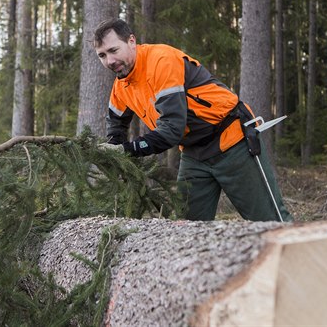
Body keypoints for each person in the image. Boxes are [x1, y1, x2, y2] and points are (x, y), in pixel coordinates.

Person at [94, 18, 292, 222]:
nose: (109, 61)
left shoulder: (161, 61)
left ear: (131, 41)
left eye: (113, 50)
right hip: (194, 153)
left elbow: (171, 130)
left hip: (233, 141)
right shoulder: (122, 86)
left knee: (271, 222)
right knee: (185, 228)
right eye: (102, 55)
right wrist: (113, 151)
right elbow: (116, 125)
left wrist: (129, 149)